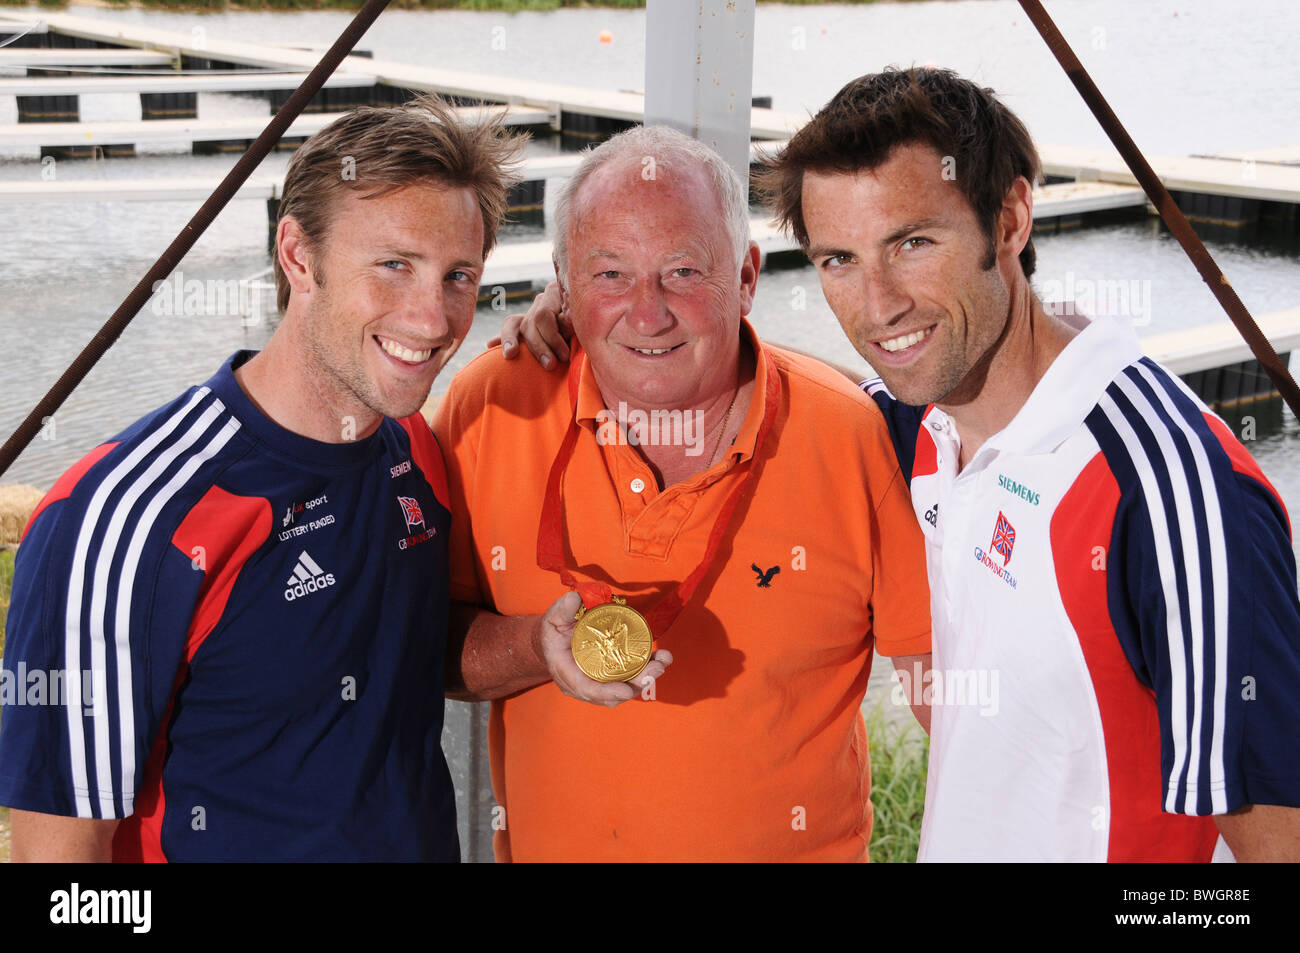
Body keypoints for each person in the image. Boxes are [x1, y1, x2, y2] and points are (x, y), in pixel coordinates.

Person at [503, 70, 1300, 862]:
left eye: (912, 243)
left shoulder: (1173, 498)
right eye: (840, 259)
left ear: (1012, 217)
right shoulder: (916, 423)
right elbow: (792, 392)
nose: (878, 305)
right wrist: (603, 313)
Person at [0, 95, 522, 861]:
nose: (435, 318)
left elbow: (403, 650)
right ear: (297, 255)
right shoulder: (122, 517)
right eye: (394, 266)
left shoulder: (413, 449)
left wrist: (542, 646)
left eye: (458, 275)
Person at [432, 124, 932, 862]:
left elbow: (951, 696)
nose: (647, 312)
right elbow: (422, 645)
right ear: (563, 287)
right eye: (609, 275)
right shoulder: (493, 403)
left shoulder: (851, 431)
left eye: (682, 272)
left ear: (746, 277)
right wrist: (535, 646)